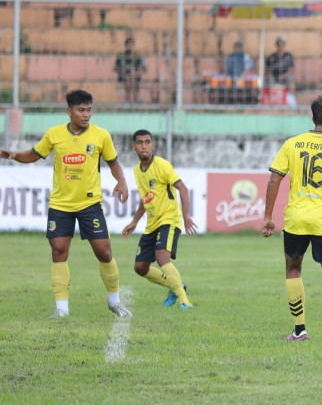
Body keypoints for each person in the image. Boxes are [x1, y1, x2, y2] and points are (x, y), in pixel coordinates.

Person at [0, 89, 131, 318]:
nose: (86, 114)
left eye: (89, 110)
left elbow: (114, 163)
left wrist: (121, 181)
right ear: (69, 111)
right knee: (59, 252)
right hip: (60, 205)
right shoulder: (54, 134)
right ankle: (62, 309)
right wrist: (14, 155)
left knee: (104, 252)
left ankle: (114, 302)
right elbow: (34, 154)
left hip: (90, 204)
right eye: (81, 110)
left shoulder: (101, 135)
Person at [261, 98, 322, 344]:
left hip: (296, 218)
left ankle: (299, 330)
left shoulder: (292, 144)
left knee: (293, 269)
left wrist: (268, 217)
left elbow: (274, 180)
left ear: (313, 117)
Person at [120, 129, 198, 309]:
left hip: (169, 219)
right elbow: (145, 198)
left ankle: (185, 302)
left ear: (152, 145)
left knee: (162, 256)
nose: (144, 146)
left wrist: (186, 216)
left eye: (147, 142)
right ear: (133, 147)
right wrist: (134, 221)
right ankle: (175, 286)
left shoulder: (162, 165)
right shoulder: (137, 171)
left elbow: (183, 189)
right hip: (152, 223)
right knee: (140, 267)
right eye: (140, 143)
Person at [114, 36, 145, 104]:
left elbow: (143, 68)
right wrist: (126, 69)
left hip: (135, 75)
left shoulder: (137, 55)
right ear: (125, 45)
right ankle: (128, 99)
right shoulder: (121, 55)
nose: (129, 47)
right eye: (128, 45)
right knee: (128, 77)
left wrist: (136, 72)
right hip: (123, 75)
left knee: (134, 76)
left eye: (131, 45)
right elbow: (116, 68)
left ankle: (135, 98)